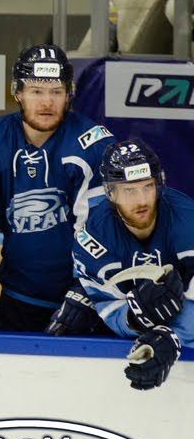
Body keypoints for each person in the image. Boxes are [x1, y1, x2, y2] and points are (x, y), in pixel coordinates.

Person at [0, 44, 114, 333]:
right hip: (17, 302)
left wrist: (85, 291)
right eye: (36, 91)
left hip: (82, 302)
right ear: (17, 92)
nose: (47, 102)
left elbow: (99, 233)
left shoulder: (92, 145)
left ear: (69, 94)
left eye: (56, 92)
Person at [71, 140, 194, 390]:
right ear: (110, 193)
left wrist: (174, 335)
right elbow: (106, 304)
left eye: (148, 187)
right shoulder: (93, 237)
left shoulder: (188, 221)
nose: (142, 200)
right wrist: (133, 319)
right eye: (129, 190)